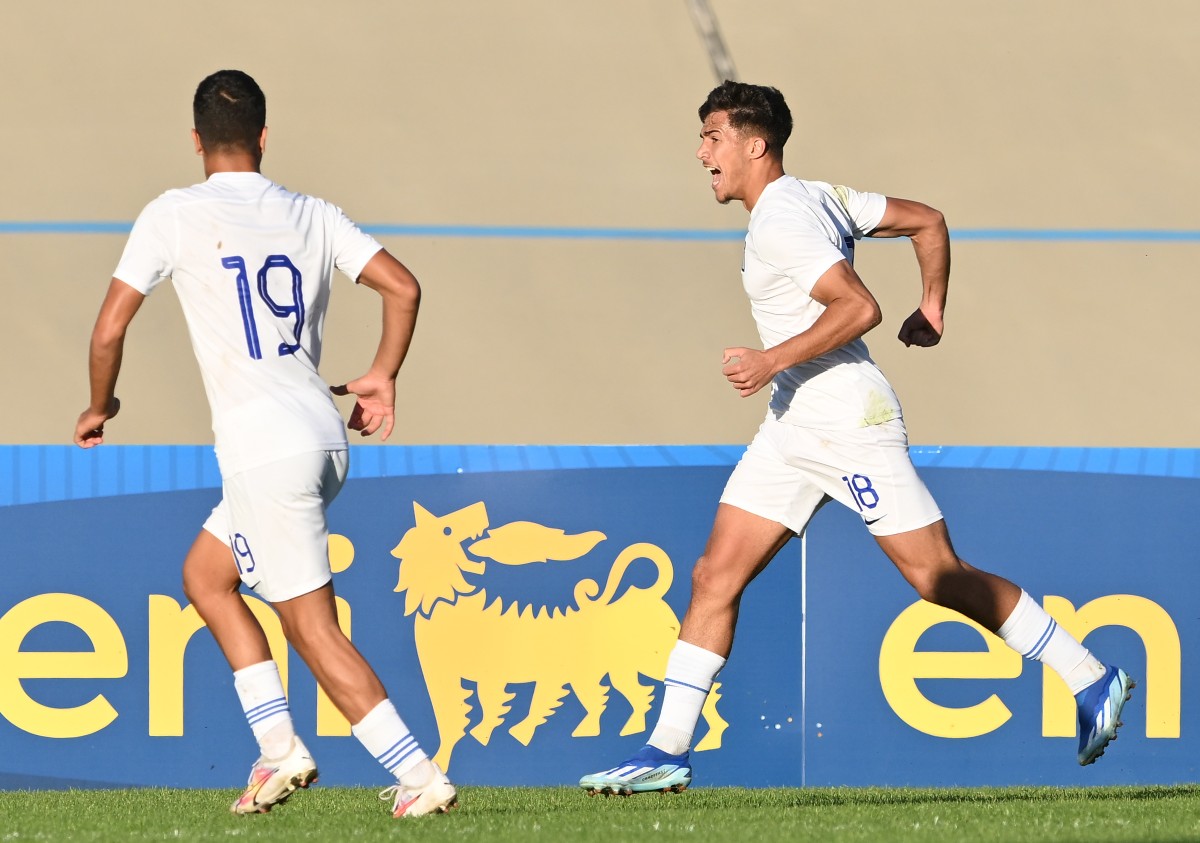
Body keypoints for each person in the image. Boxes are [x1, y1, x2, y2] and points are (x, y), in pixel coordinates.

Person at [580, 80, 1134, 795]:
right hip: (793, 420)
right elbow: (928, 221)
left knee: (935, 576)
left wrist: (771, 359)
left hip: (845, 417)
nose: (701, 152)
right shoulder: (821, 195)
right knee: (714, 576)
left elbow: (859, 305)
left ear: (756, 145)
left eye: (713, 137)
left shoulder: (783, 218)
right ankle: (667, 750)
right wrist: (931, 306)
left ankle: (1089, 673)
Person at [74, 69, 456, 819]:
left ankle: (418, 773)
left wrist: (99, 405)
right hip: (319, 434)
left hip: (264, 451)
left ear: (195, 142)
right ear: (264, 137)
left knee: (310, 627)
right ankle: (279, 746)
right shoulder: (311, 212)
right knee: (207, 576)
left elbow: (109, 328)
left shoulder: (174, 213)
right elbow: (403, 288)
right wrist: (382, 373)